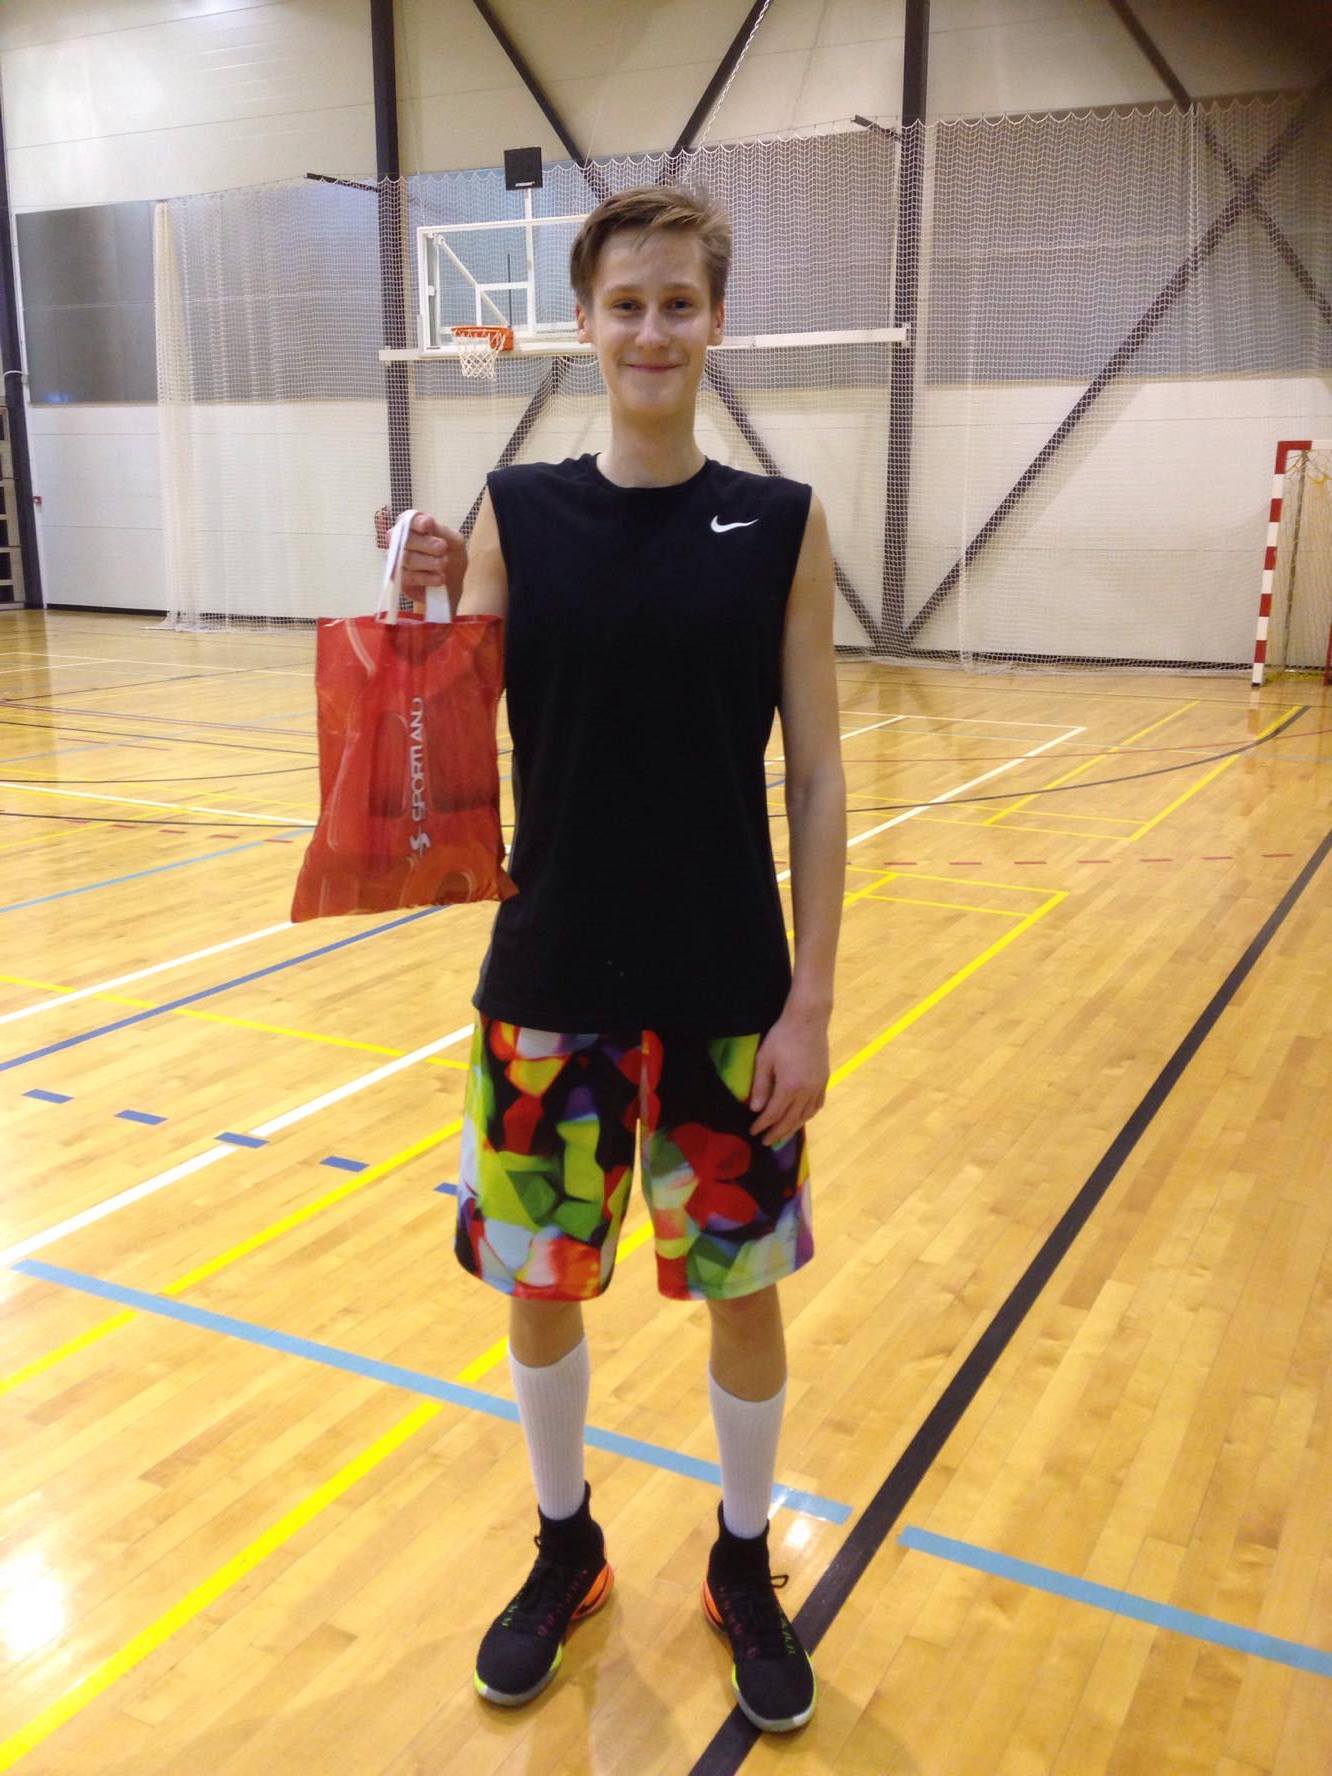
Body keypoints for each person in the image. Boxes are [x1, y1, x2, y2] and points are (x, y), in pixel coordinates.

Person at [402, 185, 846, 1736]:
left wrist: (812, 997)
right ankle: (565, 1547)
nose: (652, 330)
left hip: (731, 992)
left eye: (679, 303)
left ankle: (740, 1560)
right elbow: (445, 736)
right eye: (627, 304)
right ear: (585, 324)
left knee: (744, 1295)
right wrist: (423, 605)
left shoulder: (780, 523)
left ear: (715, 321)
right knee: (538, 1285)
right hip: (549, 980)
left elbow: (820, 776)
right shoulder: (518, 513)